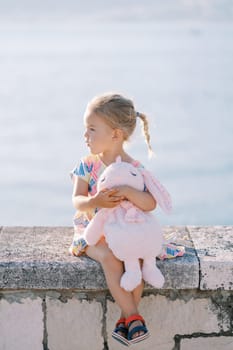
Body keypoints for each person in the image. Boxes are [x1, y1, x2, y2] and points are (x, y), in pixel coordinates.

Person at [70, 92, 158, 346]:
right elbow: (77, 200)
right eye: (86, 129)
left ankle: (126, 321)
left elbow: (151, 203)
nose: (85, 136)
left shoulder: (134, 169)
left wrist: (131, 192)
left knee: (137, 257)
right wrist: (95, 201)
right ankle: (132, 315)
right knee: (110, 256)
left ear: (116, 134)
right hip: (93, 231)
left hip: (126, 231)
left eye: (92, 129)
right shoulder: (87, 165)